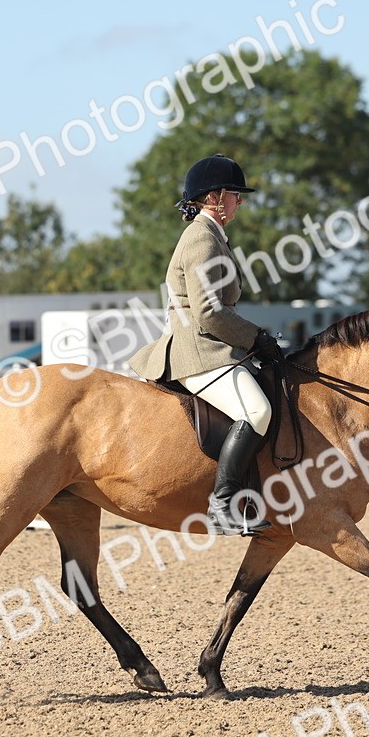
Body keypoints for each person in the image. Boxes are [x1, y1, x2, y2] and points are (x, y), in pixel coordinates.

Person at [129, 154, 282, 536]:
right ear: (214, 197)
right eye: (234, 195)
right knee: (257, 411)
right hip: (199, 351)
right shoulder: (202, 238)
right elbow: (210, 312)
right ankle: (223, 503)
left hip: (211, 346)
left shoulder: (212, 235)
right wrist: (256, 337)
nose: (240, 202)